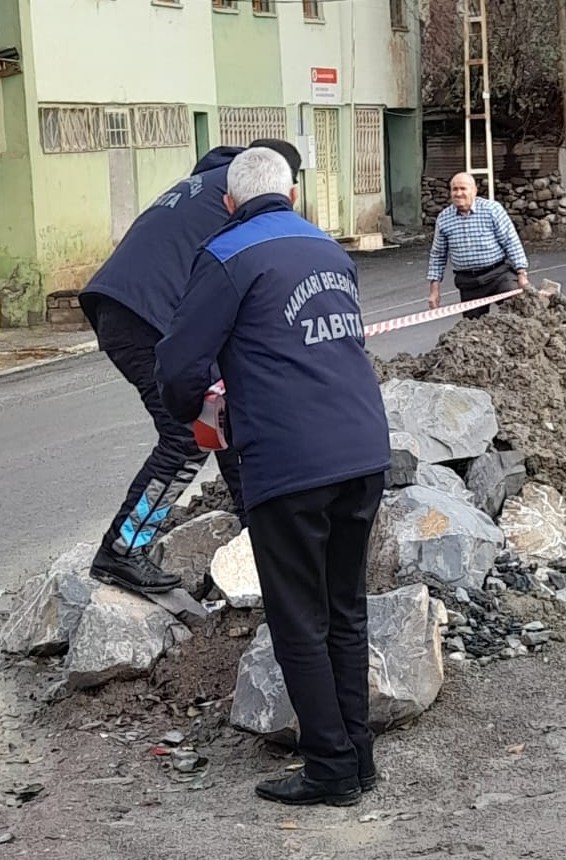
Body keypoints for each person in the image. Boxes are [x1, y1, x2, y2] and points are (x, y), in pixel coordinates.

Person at [155, 147, 391, 808]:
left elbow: (178, 367)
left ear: (229, 202)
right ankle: (359, 758)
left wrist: (195, 415)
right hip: (363, 452)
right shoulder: (329, 249)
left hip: (290, 462)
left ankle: (330, 770)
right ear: (293, 197)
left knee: (298, 621)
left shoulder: (227, 255)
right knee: (344, 609)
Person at [78, 138, 302, 596]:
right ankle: (123, 549)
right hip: (146, 314)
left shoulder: (204, 184)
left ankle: (254, 526)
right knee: (186, 434)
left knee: (221, 415)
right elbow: (258, 279)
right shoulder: (246, 200)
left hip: (125, 307)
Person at [427, 172, 530, 319]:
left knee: (517, 314)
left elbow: (511, 242)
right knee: (473, 329)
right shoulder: (444, 219)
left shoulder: (492, 210)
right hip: (469, 282)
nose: (458, 193)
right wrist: (434, 290)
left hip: (498, 275)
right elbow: (438, 255)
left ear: (474, 190)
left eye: (463, 188)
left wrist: (521, 274)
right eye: (454, 189)